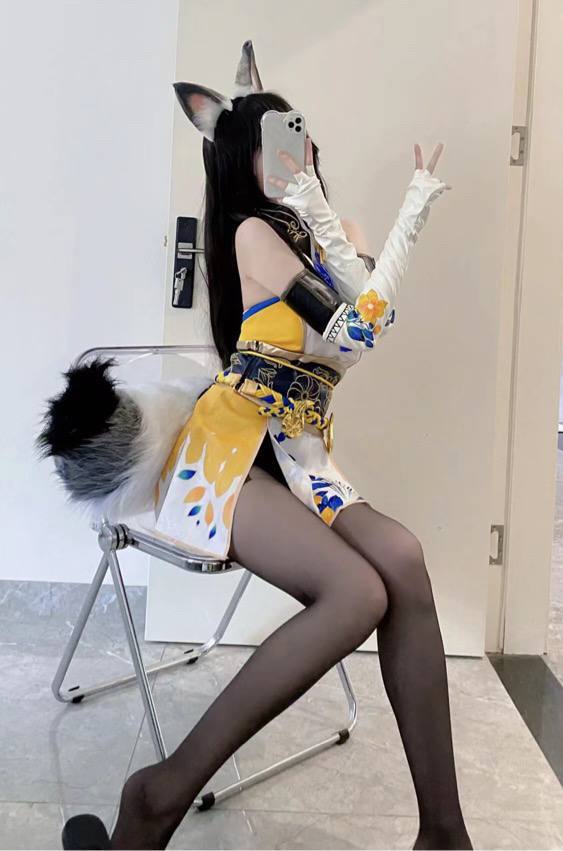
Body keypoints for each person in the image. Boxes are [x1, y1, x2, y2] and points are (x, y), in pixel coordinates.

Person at [62, 40, 471, 851]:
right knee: (357, 593)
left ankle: (442, 833)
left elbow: (366, 326)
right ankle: (160, 792)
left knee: (404, 560)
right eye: (276, 138)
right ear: (243, 160)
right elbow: (351, 326)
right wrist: (404, 225)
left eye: (299, 130)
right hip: (227, 453)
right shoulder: (253, 234)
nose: (298, 145)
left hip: (303, 458)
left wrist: (362, 231)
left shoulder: (337, 232)